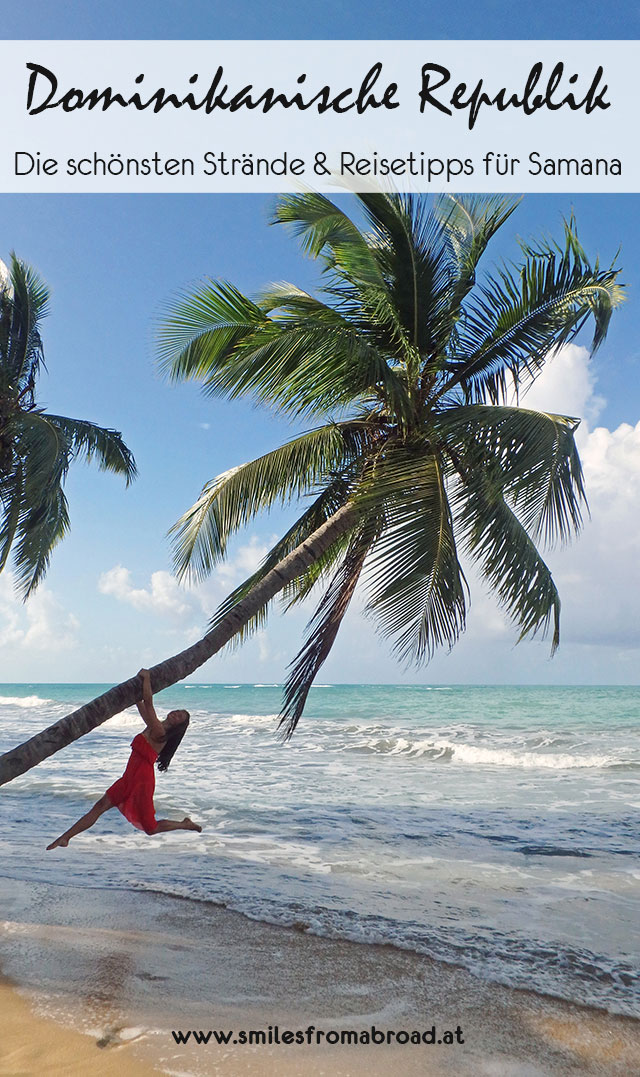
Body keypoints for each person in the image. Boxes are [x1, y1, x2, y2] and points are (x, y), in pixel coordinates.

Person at [46, 669, 202, 849]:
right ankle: (65, 837)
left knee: (150, 828)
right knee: (99, 806)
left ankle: (184, 824)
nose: (175, 713)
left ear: (178, 725)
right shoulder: (154, 725)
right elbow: (142, 705)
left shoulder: (159, 731)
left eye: (179, 716)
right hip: (128, 778)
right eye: (177, 711)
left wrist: (147, 678)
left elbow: (149, 704)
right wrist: (135, 690)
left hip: (141, 782)